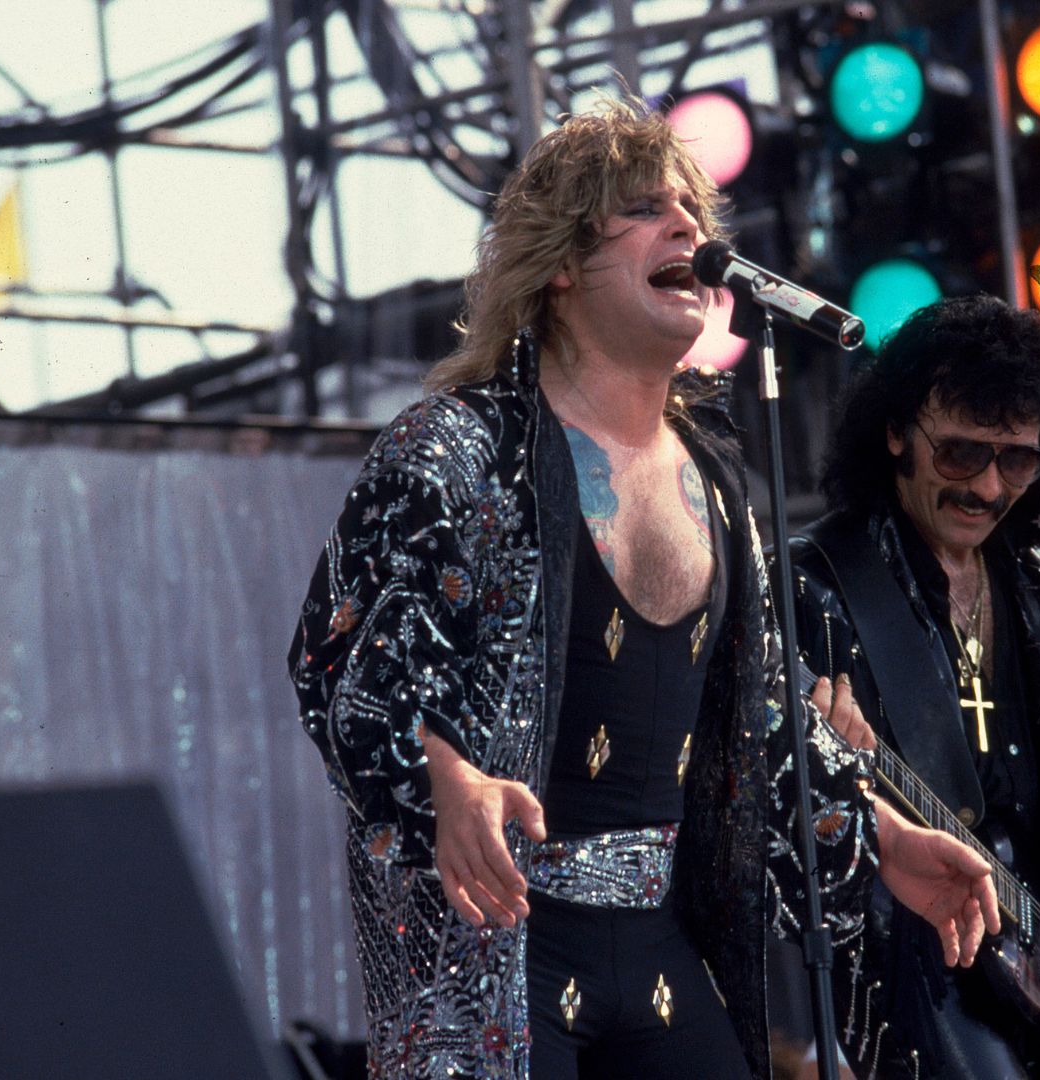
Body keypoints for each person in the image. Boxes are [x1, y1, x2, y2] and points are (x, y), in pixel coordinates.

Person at [288, 99, 998, 1080]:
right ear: (563, 262)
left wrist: (882, 837)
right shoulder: (458, 449)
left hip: (660, 940)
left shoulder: (716, 483)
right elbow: (341, 657)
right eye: (643, 209)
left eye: (693, 210)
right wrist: (446, 779)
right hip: (492, 944)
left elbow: (760, 717)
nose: (686, 227)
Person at [784, 295, 1040, 1079]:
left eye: (1017, 461)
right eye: (962, 454)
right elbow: (778, 825)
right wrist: (831, 777)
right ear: (896, 432)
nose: (990, 488)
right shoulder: (812, 588)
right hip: (918, 978)